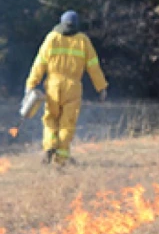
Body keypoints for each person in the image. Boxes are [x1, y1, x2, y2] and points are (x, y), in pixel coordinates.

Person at [25, 10, 108, 165]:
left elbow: (39, 63)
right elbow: (93, 67)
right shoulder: (83, 40)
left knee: (50, 119)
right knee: (67, 123)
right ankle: (61, 158)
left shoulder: (52, 38)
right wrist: (101, 88)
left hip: (53, 86)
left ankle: (49, 146)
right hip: (73, 87)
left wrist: (31, 84)